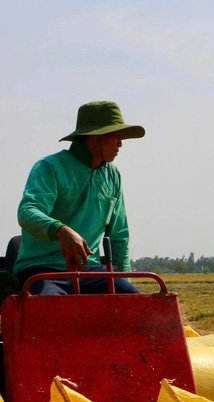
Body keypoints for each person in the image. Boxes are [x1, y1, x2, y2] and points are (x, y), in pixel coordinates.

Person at [14, 100, 144, 296]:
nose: (120, 144)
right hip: (43, 270)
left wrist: (120, 280)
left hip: (89, 270)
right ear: (94, 137)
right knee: (52, 310)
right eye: (115, 136)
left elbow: (119, 234)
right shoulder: (50, 167)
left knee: (135, 303)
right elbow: (27, 212)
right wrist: (61, 231)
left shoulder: (112, 175)